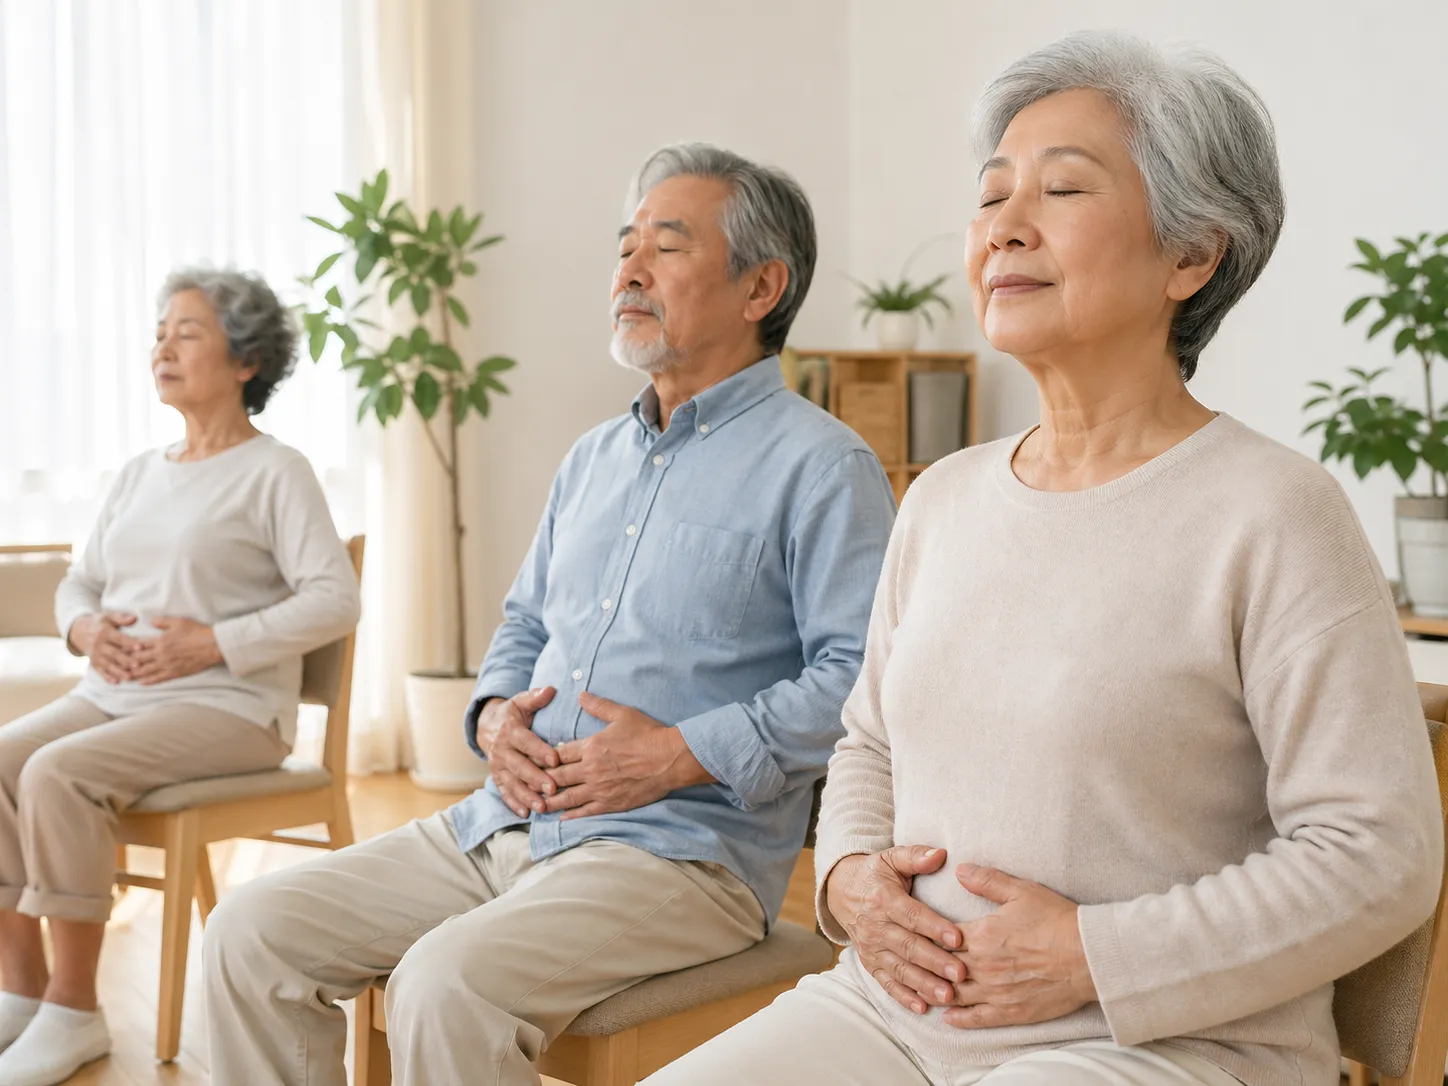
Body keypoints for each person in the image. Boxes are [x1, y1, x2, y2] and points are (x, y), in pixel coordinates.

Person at [641, 30, 1444, 1086]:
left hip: (1158, 1046)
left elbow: (1375, 857)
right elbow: (867, 745)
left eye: (1061, 189)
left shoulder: (1274, 512)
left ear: (1189, 256)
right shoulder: (940, 499)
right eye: (989, 197)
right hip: (890, 1015)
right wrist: (846, 883)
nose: (1002, 229)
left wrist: (1092, 956)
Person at [203, 143, 896, 1086]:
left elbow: (858, 685)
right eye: (624, 247)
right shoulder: (592, 458)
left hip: (681, 856)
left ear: (760, 287)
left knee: (446, 985)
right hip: (502, 820)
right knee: (251, 931)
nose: (629, 271)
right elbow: (525, 624)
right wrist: (493, 718)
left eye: (667, 246)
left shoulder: (825, 468)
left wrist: (675, 754)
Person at [0, 269, 360, 1086]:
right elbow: (77, 581)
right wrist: (83, 626)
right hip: (114, 696)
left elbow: (335, 597)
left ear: (247, 360)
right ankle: (19, 990)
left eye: (187, 331)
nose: (163, 345)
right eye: (161, 330)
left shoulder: (277, 471)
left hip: (231, 709)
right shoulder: (138, 472)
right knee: (1, 758)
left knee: (58, 774)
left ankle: (72, 1011)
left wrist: (214, 644)